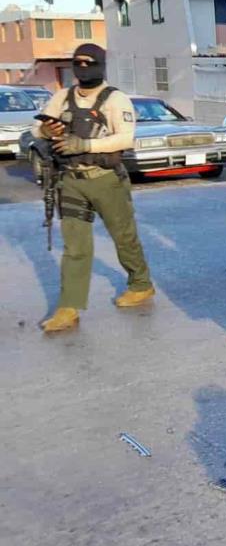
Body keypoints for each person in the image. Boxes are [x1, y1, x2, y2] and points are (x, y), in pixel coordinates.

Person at [34, 43, 154, 333]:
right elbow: (37, 129)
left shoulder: (115, 100)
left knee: (124, 236)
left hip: (105, 179)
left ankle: (141, 284)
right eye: (78, 62)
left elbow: (125, 139)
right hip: (71, 181)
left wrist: (85, 144)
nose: (83, 67)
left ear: (100, 64)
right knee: (75, 247)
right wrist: (46, 131)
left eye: (90, 62)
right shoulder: (62, 98)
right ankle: (68, 307)